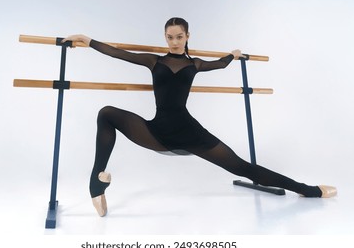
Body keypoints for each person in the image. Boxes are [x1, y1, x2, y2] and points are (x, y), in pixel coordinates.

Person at [63, 17, 337, 217]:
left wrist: (233, 55)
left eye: (179, 37)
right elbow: (119, 53)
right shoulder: (153, 61)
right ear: (165, 38)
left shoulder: (195, 64)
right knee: (106, 113)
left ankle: (307, 189)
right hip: (157, 131)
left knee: (243, 168)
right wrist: (87, 40)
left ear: (187, 36)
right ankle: (97, 182)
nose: (173, 42)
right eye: (169, 37)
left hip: (191, 133)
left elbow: (220, 64)